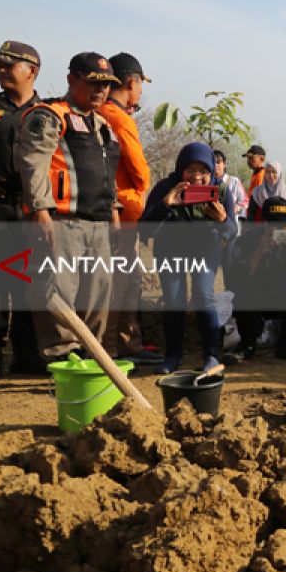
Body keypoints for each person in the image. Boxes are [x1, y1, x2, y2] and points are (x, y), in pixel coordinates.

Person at [16, 52, 123, 363]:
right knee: (57, 294)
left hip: (99, 224)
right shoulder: (50, 115)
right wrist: (40, 210)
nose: (101, 90)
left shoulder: (103, 123)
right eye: (93, 82)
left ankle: (91, 361)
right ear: (71, 79)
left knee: (98, 296)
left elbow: (107, 173)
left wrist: (114, 211)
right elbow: (33, 164)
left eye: (106, 84)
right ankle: (61, 363)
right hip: (63, 221)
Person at [0, 41, 44, 385]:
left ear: (31, 71)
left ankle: (28, 354)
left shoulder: (49, 111)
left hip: (33, 210)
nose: (1, 70)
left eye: (8, 65)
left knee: (31, 281)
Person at [141, 142, 235, 373]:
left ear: (211, 171)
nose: (197, 177)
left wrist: (223, 220)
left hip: (205, 248)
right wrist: (165, 205)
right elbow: (144, 230)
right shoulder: (166, 187)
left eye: (203, 171)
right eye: (190, 170)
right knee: (174, 300)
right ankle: (173, 355)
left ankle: (211, 355)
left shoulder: (221, 190)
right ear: (180, 169)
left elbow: (232, 232)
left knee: (204, 294)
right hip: (170, 248)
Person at [100, 52, 158, 365]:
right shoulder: (119, 118)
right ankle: (111, 350)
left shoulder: (101, 113)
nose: (140, 93)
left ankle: (128, 343)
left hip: (118, 213)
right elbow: (141, 172)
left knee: (125, 282)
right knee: (118, 285)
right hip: (121, 215)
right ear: (131, 82)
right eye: (139, 86)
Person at [230, 197, 286, 363]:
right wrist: (259, 252)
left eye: (283, 225)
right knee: (244, 298)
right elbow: (236, 281)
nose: (279, 229)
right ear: (264, 222)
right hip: (252, 292)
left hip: (277, 292)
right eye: (273, 225)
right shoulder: (248, 239)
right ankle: (247, 344)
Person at [213, 150, 248, 223]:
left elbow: (245, 202)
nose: (216, 165)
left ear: (224, 164)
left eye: (218, 162)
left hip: (231, 223)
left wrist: (235, 209)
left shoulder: (234, 181)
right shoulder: (207, 183)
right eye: (213, 162)